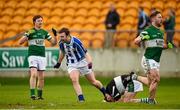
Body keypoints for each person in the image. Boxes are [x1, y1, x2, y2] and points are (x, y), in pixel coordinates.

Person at [53, 27, 106, 102]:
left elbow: (86, 53)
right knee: (74, 79)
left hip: (82, 63)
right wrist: (59, 62)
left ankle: (106, 93)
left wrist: (89, 62)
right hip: (72, 64)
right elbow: (63, 52)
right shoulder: (61, 43)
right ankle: (81, 99)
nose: (61, 38)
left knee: (93, 82)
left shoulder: (76, 42)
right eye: (60, 36)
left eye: (62, 36)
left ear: (68, 35)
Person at [19, 15, 57, 100]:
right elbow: (20, 42)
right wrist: (27, 35)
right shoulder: (30, 31)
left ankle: (40, 96)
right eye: (38, 21)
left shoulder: (44, 32)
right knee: (33, 74)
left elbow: (54, 43)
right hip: (32, 56)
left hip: (42, 56)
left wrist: (55, 35)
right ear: (34, 22)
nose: (40, 22)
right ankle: (32, 94)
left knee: (41, 77)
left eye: (41, 20)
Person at [134, 10, 165, 104]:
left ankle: (134, 77)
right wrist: (141, 38)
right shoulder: (148, 30)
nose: (161, 19)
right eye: (159, 17)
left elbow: (160, 46)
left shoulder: (160, 32)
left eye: (161, 17)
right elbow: (136, 40)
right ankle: (151, 100)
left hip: (156, 60)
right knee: (156, 79)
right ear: (153, 19)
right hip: (148, 58)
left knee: (150, 82)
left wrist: (168, 45)